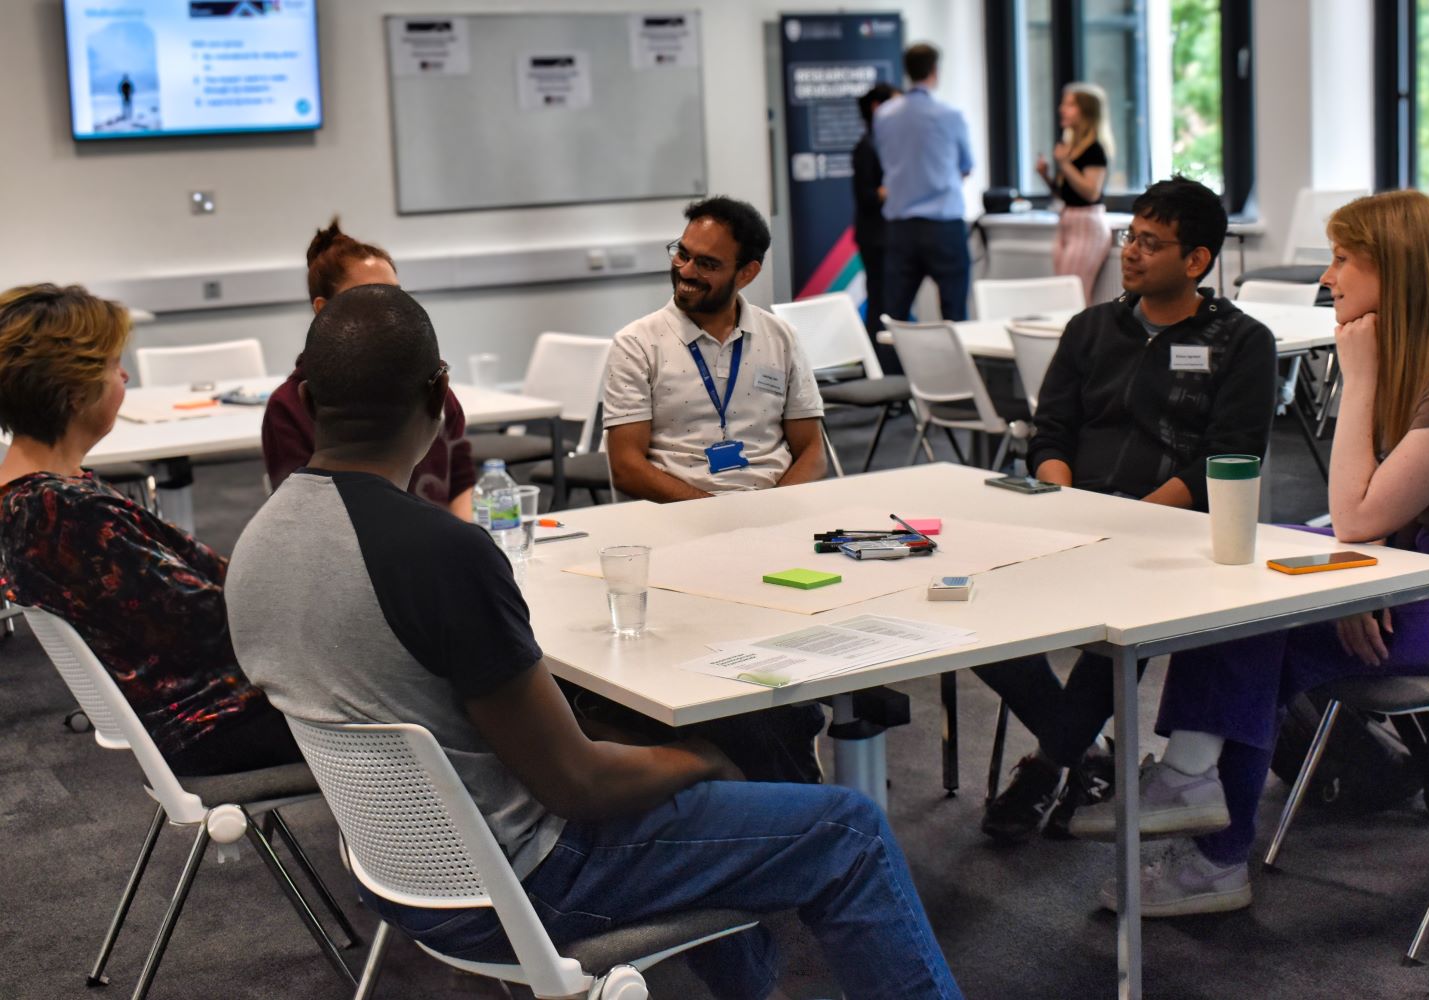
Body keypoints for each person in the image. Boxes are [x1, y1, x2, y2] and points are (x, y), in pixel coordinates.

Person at [224, 284, 964, 1000]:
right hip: (531, 880)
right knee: (848, 829)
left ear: (308, 402)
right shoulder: (442, 552)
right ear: (441, 397)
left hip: (403, 876)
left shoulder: (253, 551)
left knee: (655, 748)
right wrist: (706, 758)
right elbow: (576, 785)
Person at [1067, 189, 1429, 918]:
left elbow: (1359, 516)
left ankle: (1203, 818)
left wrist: (1355, 378)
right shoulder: (1427, 357)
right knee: (1240, 561)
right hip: (1423, 562)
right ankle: (1200, 806)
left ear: (1394, 271)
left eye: (1342, 261)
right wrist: (1366, 580)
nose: (1327, 278)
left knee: (1269, 623)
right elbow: (1377, 520)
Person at [973, 176, 1279, 845]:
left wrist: (1133, 517)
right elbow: (1049, 433)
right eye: (1128, 237)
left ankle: (1049, 765)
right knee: (968, 610)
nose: (1130, 253)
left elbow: (1226, 461)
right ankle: (1081, 755)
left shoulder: (1241, 342)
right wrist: (1061, 498)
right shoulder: (1090, 330)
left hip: (1173, 530)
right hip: (1072, 516)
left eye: (1150, 242)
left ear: (1195, 260)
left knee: (1119, 627)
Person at [0, 284, 300, 776]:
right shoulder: (62, 512)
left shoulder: (42, 495)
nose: (124, 375)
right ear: (75, 390)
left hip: (192, 707)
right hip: (214, 720)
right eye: (112, 364)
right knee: (421, 686)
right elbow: (215, 624)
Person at [604, 195, 827, 503]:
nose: (686, 271)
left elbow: (814, 452)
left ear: (747, 273)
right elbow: (626, 468)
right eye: (682, 254)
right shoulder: (637, 344)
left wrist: (775, 510)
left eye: (707, 264)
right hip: (680, 513)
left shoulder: (781, 337)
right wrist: (718, 514)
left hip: (772, 506)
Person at [261, 217, 476, 519]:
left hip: (436, 549)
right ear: (323, 309)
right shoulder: (287, 407)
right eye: (368, 296)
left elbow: (461, 484)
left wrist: (465, 547)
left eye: (395, 295)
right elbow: (302, 518)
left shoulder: (430, 383)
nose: (388, 309)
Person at [873, 42, 975, 324]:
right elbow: (966, 167)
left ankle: (890, 369)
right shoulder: (950, 116)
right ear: (934, 70)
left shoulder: (884, 115)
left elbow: (887, 161)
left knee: (894, 315)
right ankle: (955, 370)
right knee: (954, 313)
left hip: (901, 228)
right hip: (943, 227)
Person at [1036, 82, 1113, 301]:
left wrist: (1065, 165)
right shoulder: (1070, 147)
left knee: (1074, 295)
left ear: (1086, 111)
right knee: (1063, 292)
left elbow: (1091, 193)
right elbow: (1068, 195)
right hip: (1068, 221)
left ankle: (1080, 335)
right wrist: (1046, 176)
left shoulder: (1095, 150)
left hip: (1087, 224)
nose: (1062, 109)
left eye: (1070, 104)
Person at [853, 82, 899, 364]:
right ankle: (878, 365)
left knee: (889, 302)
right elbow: (865, 195)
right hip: (876, 237)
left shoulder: (887, 144)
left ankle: (888, 363)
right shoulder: (867, 147)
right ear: (877, 107)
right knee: (880, 302)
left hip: (888, 235)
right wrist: (893, 188)